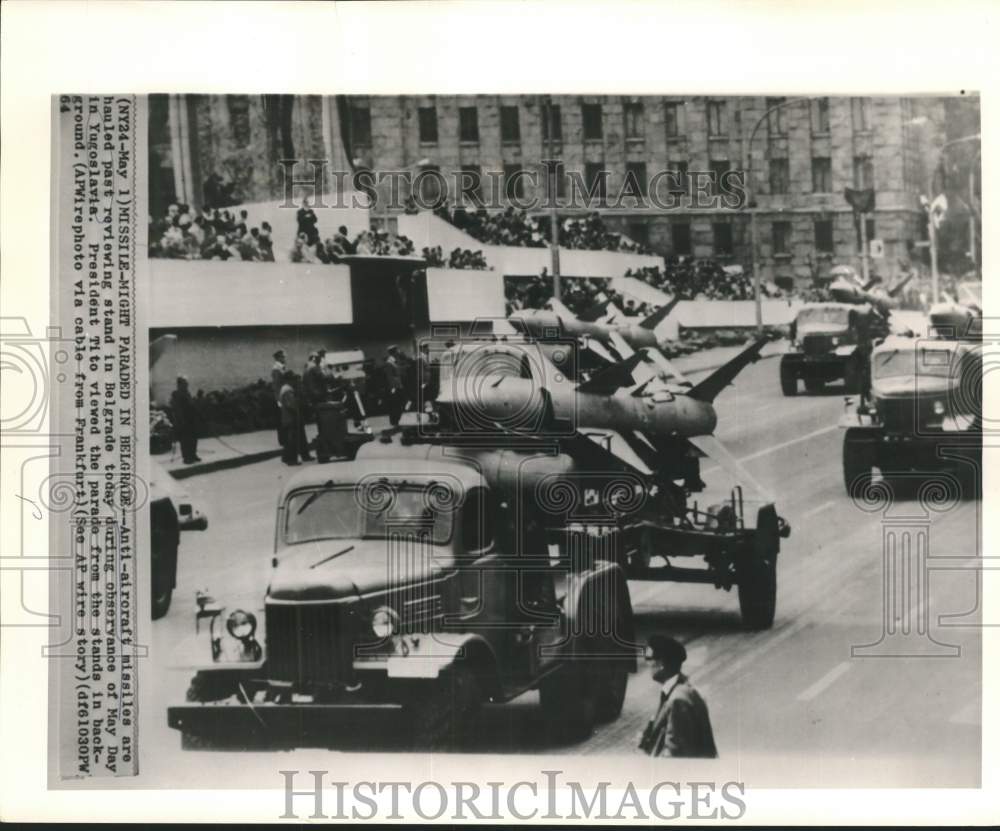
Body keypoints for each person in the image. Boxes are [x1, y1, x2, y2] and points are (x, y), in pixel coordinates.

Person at [639, 635, 717, 758]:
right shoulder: (679, 690)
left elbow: (674, 755)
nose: (647, 664)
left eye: (648, 658)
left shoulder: (678, 701)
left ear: (661, 663)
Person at [279, 370, 312, 465]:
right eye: (292, 379)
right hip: (290, 418)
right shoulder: (287, 390)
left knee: (296, 438)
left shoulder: (289, 389)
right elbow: (291, 404)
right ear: (288, 380)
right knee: (292, 440)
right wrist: (299, 403)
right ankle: (291, 459)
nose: (294, 381)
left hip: (291, 418)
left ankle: (289, 457)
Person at [169, 375, 201, 464]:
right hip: (183, 420)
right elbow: (177, 408)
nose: (187, 385)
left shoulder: (187, 393)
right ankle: (187, 457)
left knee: (193, 438)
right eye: (185, 384)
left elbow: (191, 405)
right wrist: (181, 420)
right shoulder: (177, 394)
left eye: (186, 384)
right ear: (179, 385)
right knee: (185, 440)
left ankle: (193, 455)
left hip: (191, 419)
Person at [382, 345, 404, 427]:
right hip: (394, 387)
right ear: (394, 352)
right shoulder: (389, 363)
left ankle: (396, 421)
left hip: (398, 386)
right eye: (397, 351)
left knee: (399, 404)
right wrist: (393, 388)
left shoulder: (394, 361)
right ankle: (395, 422)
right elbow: (389, 376)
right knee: (395, 405)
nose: (398, 352)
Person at [271, 349, 287, 447]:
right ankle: (283, 440)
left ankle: (284, 439)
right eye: (283, 357)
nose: (284, 358)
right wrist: (279, 400)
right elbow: (276, 386)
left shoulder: (280, 367)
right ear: (278, 358)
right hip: (281, 398)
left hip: (283, 396)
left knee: (284, 419)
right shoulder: (277, 369)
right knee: (282, 420)